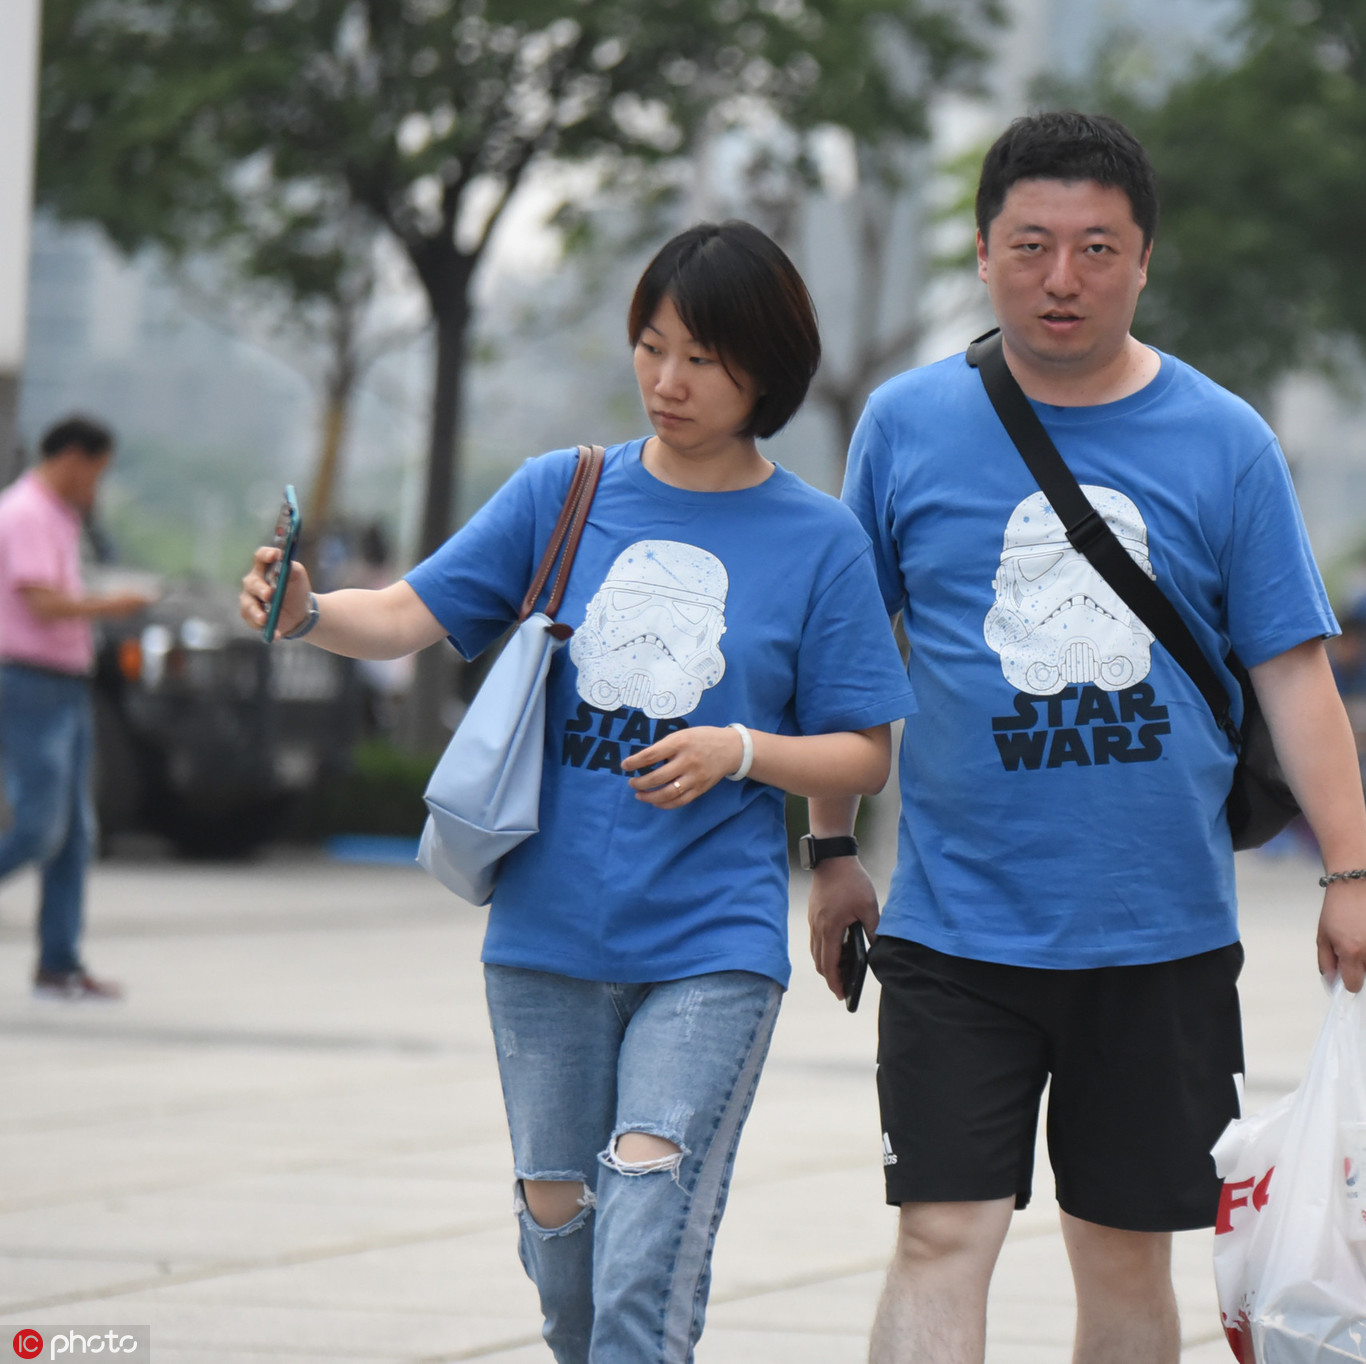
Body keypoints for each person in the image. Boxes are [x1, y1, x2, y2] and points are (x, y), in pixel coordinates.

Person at [239, 222, 916, 1362]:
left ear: (765, 367)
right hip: (545, 934)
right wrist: (305, 609)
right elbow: (409, 612)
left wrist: (740, 750)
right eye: (652, 346)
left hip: (710, 944)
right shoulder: (567, 490)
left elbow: (863, 748)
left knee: (645, 1237)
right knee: (563, 1246)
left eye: (701, 357)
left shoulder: (819, 539)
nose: (667, 379)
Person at [808, 112, 1366, 1364]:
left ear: (1144, 259)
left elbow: (1295, 675)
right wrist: (830, 847)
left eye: (1096, 247)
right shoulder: (904, 427)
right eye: (1031, 245)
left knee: (1124, 1250)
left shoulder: (1226, 439)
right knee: (939, 1235)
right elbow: (852, 660)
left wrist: (1353, 875)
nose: (1062, 278)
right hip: (956, 931)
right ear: (981, 252)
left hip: (1161, 934)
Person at [0, 416, 154, 1001]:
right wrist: (111, 605)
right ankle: (58, 960)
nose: (97, 483)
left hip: (65, 683)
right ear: (73, 457)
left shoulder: (59, 516)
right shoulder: (27, 512)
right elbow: (40, 600)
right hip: (30, 683)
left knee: (75, 836)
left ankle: (58, 963)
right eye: (97, 469)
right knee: (40, 829)